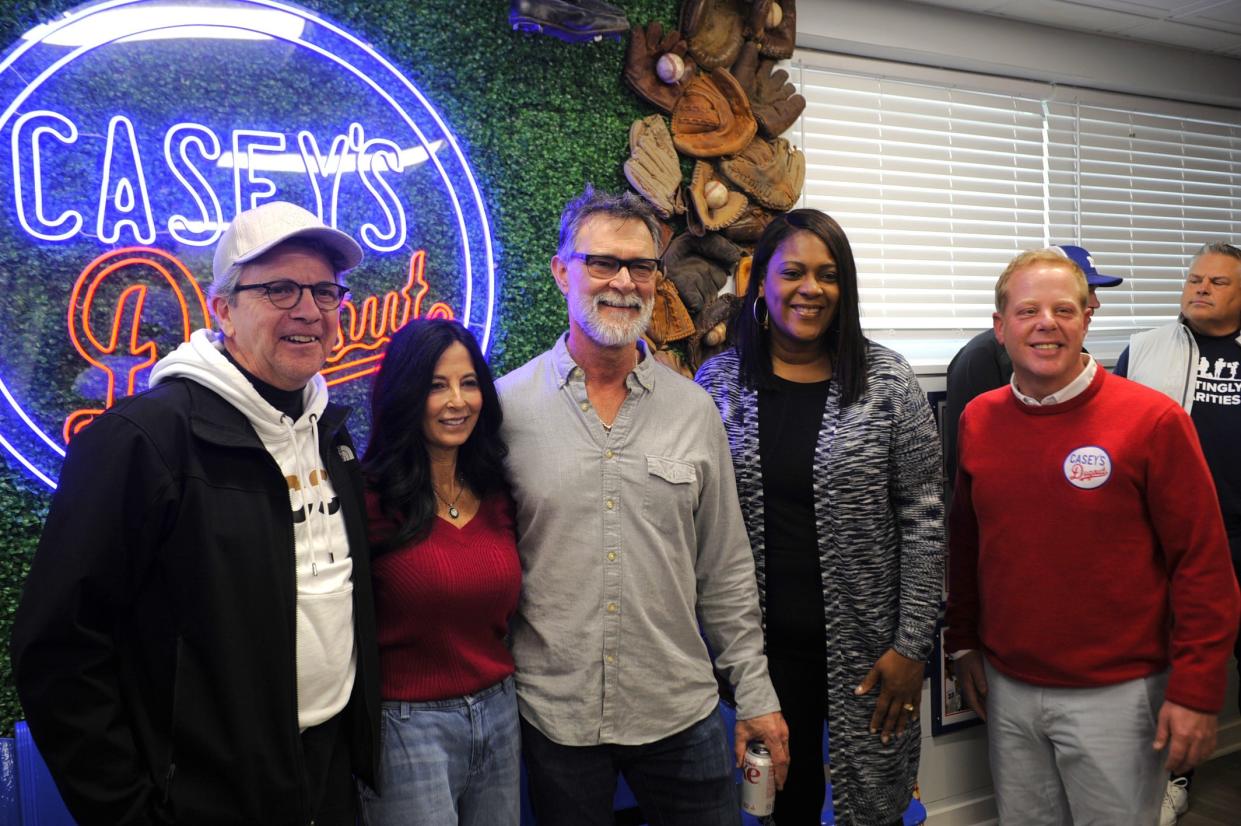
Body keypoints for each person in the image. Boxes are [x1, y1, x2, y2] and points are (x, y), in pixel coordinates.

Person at [11, 201, 380, 825]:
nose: (309, 310)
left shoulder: (329, 434)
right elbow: (58, 652)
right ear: (223, 309)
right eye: (280, 288)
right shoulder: (142, 441)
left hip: (327, 776)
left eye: (325, 290)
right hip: (206, 797)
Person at [496, 186, 788, 826]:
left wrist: (757, 693)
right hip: (556, 719)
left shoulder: (694, 411)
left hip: (680, 714)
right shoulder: (505, 410)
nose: (624, 283)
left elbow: (726, 572)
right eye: (603, 263)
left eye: (642, 266)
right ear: (561, 271)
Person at [946, 249, 1240, 825]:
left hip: (1121, 694)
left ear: (1087, 319)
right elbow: (967, 540)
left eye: (1063, 309)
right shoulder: (979, 418)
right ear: (1000, 327)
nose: (1046, 323)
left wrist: (1197, 689)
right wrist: (963, 642)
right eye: (1027, 310)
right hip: (1009, 686)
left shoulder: (1153, 422)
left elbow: (1202, 565)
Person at [695, 209, 945, 826]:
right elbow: (697, 525)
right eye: (794, 273)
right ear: (762, 284)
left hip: (873, 655)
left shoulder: (887, 380)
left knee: (876, 806)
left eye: (828, 275)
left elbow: (925, 519)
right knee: (778, 805)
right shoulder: (718, 383)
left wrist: (912, 648)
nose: (811, 289)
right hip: (760, 661)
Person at [359, 318, 521, 825]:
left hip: (500, 714)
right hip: (407, 727)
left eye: (469, 382)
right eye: (436, 386)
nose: (458, 401)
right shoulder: (369, 500)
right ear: (407, 396)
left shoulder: (498, 492)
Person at [1115, 241, 1241, 826]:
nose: (1200, 289)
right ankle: (1172, 781)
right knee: (1169, 667)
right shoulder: (1143, 349)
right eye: (1195, 279)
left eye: (1217, 282)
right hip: (1170, 543)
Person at [943, 244, 1122, 488]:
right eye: (1089, 289)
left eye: (1063, 309)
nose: (1096, 302)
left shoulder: (1075, 354)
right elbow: (966, 467)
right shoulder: (979, 359)